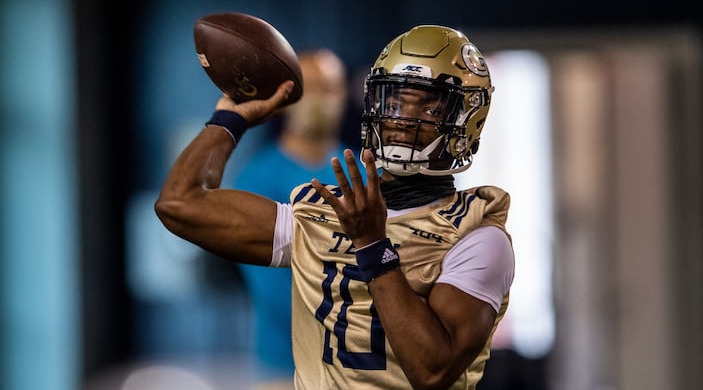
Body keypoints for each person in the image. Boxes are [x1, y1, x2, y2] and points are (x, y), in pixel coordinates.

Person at [155, 25, 515, 389]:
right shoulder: (320, 211)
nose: (402, 121)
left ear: (466, 119)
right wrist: (230, 118)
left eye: (429, 105)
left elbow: (433, 372)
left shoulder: (477, 237)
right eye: (393, 103)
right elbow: (179, 203)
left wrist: (373, 247)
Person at [232, 49, 352, 385]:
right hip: (286, 367)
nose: (319, 99)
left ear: (343, 94)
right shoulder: (256, 178)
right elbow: (270, 288)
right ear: (288, 98)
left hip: (360, 369)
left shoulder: (363, 171)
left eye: (328, 88)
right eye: (309, 88)